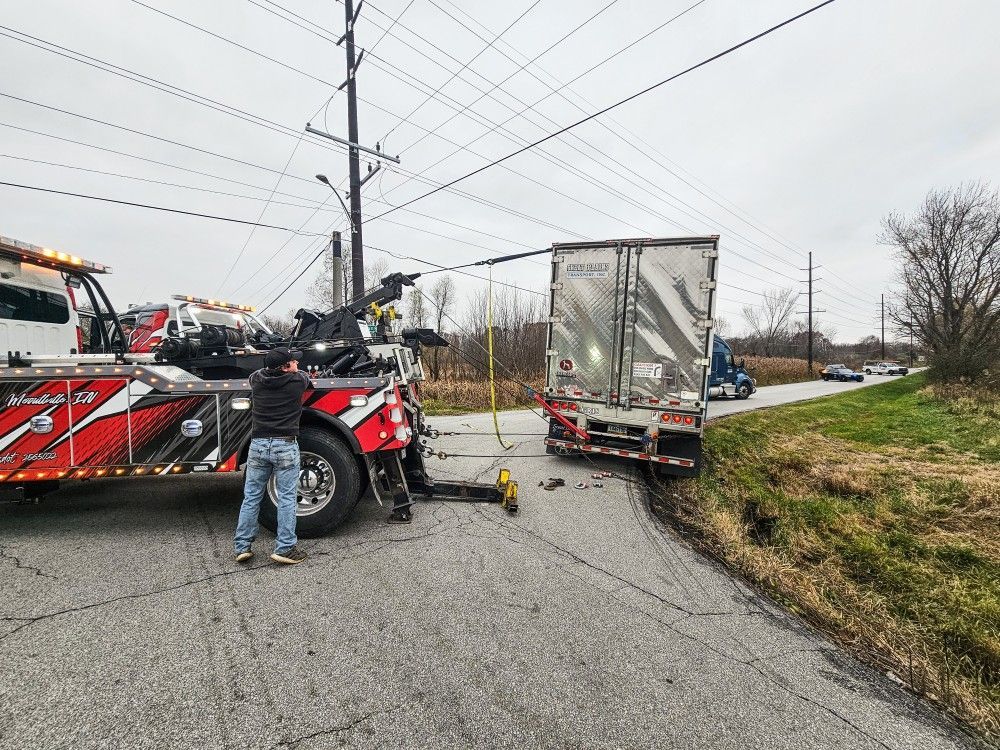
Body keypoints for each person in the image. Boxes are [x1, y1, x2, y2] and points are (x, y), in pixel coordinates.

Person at [233, 346, 310, 565]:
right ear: (286, 367)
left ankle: (242, 547)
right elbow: (304, 376)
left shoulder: (257, 380)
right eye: (293, 362)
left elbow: (254, 375)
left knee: (251, 497)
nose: (297, 364)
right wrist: (296, 371)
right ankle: (284, 548)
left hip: (257, 445)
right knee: (286, 497)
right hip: (284, 445)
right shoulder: (297, 382)